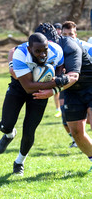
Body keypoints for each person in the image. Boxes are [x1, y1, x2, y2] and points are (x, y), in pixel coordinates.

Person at [0, 32, 66, 175]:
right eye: (38, 51)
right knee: (5, 125)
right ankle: (9, 134)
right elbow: (28, 86)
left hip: (40, 92)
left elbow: (60, 67)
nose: (42, 55)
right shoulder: (20, 54)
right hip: (19, 86)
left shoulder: (56, 51)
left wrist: (58, 75)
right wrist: (55, 82)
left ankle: (19, 162)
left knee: (29, 130)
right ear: (29, 49)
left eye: (44, 50)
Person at [33, 22, 92, 172]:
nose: (43, 52)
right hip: (72, 91)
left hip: (89, 84)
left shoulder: (69, 46)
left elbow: (73, 76)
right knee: (76, 132)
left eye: (45, 47)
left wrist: (52, 91)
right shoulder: (38, 50)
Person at [60, 20, 92, 148]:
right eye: (65, 34)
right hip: (71, 90)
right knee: (76, 132)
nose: (68, 37)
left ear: (76, 35)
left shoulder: (88, 48)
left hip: (90, 87)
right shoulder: (59, 50)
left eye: (71, 34)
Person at [53, 23, 63, 118]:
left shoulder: (63, 40)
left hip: (63, 67)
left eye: (59, 28)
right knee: (56, 90)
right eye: (55, 28)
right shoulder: (51, 41)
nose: (57, 30)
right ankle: (58, 109)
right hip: (55, 68)